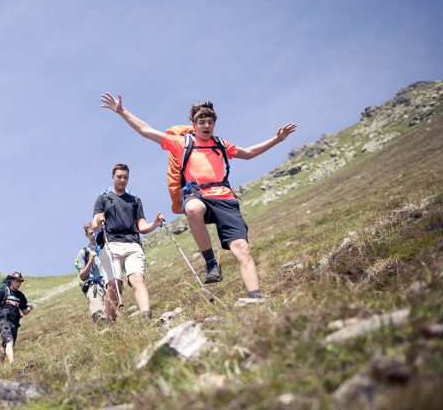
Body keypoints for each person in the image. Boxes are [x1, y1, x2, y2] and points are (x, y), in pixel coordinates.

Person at [100, 92, 296, 300]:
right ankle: (211, 262)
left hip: (224, 198)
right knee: (193, 208)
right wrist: (121, 111)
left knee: (242, 249)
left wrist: (277, 139)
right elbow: (146, 131)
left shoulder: (220, 144)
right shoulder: (182, 143)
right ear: (194, 124)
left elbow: (247, 153)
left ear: (214, 125)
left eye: (210, 122)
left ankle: (256, 297)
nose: (206, 126)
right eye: (201, 122)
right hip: (197, 194)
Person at [92, 163, 165, 321]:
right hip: (111, 244)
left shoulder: (134, 200)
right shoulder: (103, 199)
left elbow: (142, 226)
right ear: (113, 178)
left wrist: (155, 224)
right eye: (119, 177)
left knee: (137, 279)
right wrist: (98, 221)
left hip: (132, 244)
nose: (122, 180)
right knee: (114, 285)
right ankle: (111, 323)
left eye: (125, 177)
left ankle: (146, 315)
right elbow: (94, 225)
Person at [0, 272, 33, 371]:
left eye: (20, 282)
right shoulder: (4, 291)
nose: (19, 283)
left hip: (14, 323)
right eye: (17, 281)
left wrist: (29, 309)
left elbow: (24, 311)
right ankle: (14, 366)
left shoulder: (20, 295)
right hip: (3, 320)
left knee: (4, 348)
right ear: (12, 280)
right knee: (9, 341)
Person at [77, 222, 107, 323]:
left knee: (113, 313)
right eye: (90, 233)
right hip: (94, 286)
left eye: (95, 232)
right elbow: (82, 276)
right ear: (86, 235)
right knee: (98, 313)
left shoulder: (106, 247)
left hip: (108, 284)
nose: (93, 235)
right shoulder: (84, 252)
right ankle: (104, 333)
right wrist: (90, 260)